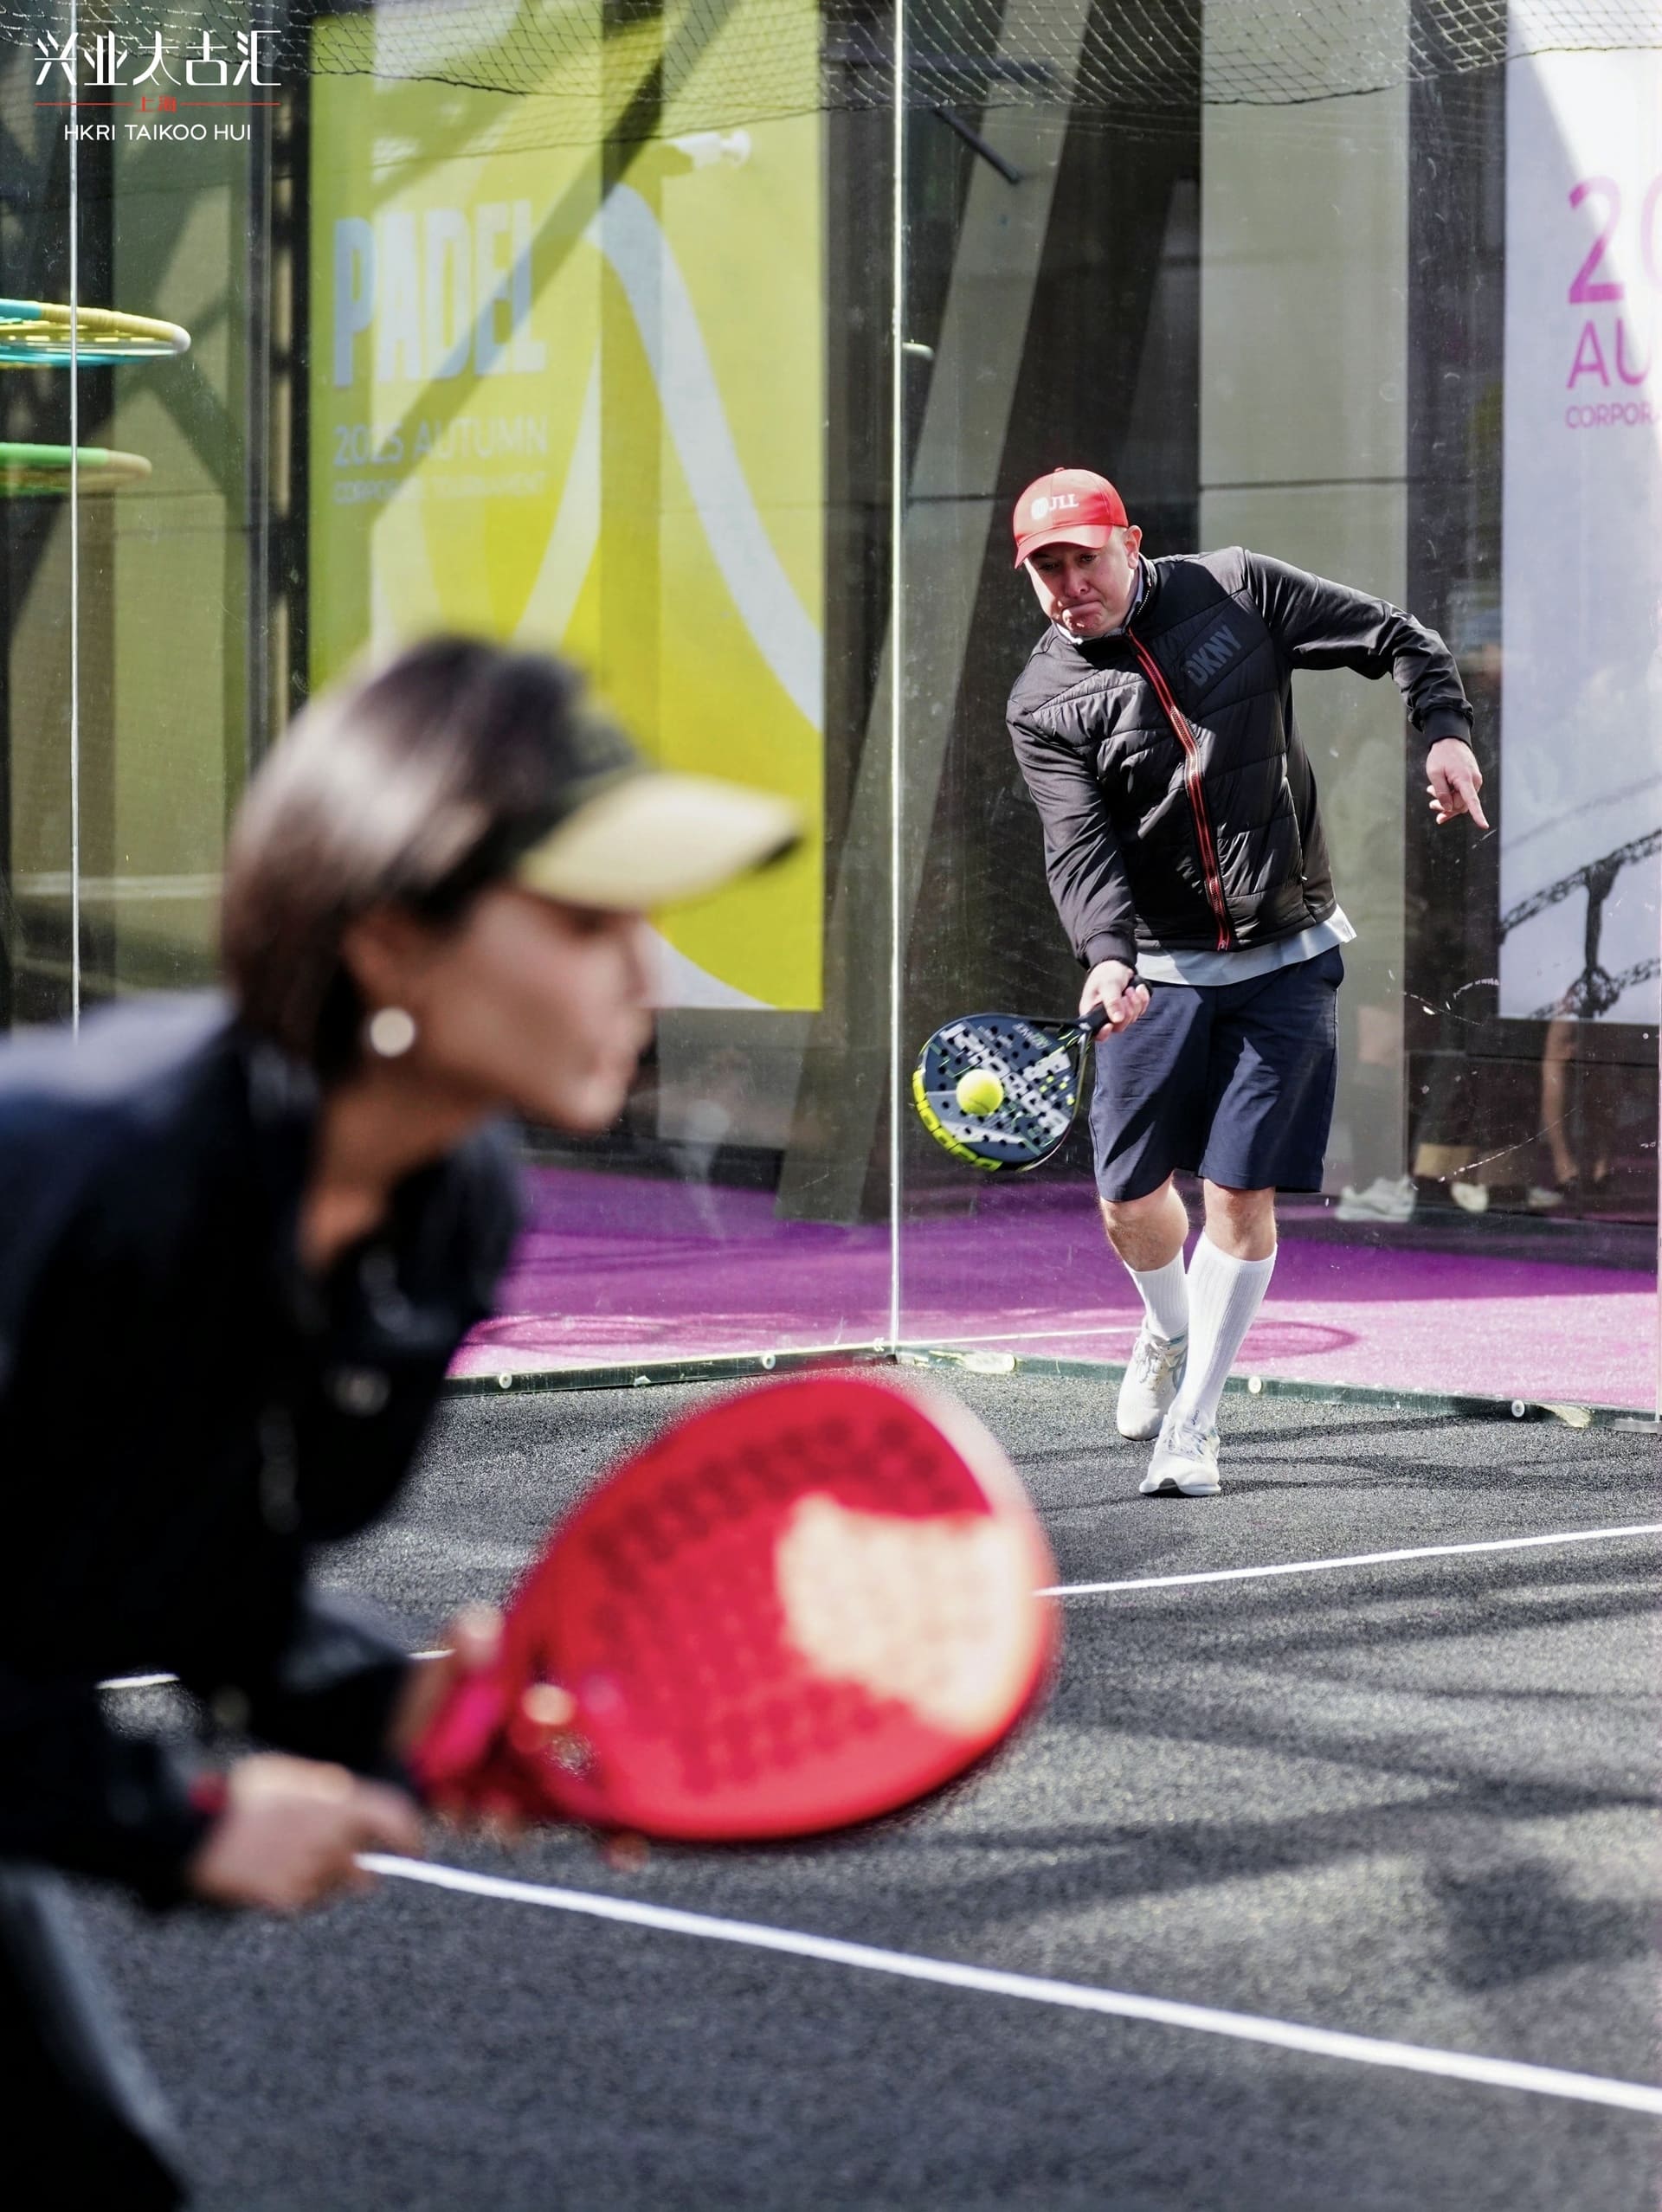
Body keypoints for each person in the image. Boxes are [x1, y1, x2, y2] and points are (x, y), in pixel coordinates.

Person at [0, 637, 796, 2206]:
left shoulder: (446, 1209)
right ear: (388, 941)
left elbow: (209, 1591)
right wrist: (177, 1824)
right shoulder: (81, 1172)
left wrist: (424, 1712)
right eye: (581, 919)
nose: (644, 972)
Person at [1004, 468, 1487, 1498]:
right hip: (1157, 971)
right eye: (1045, 568)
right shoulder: (1043, 702)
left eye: (1082, 558)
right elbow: (1079, 849)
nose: (1067, 584)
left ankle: (1198, 1419)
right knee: (1129, 1205)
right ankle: (1166, 1333)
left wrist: (1444, 732)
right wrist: (1108, 958)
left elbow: (1401, 637)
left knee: (1238, 1188)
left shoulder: (1237, 590)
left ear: (1130, 541)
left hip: (1286, 954)